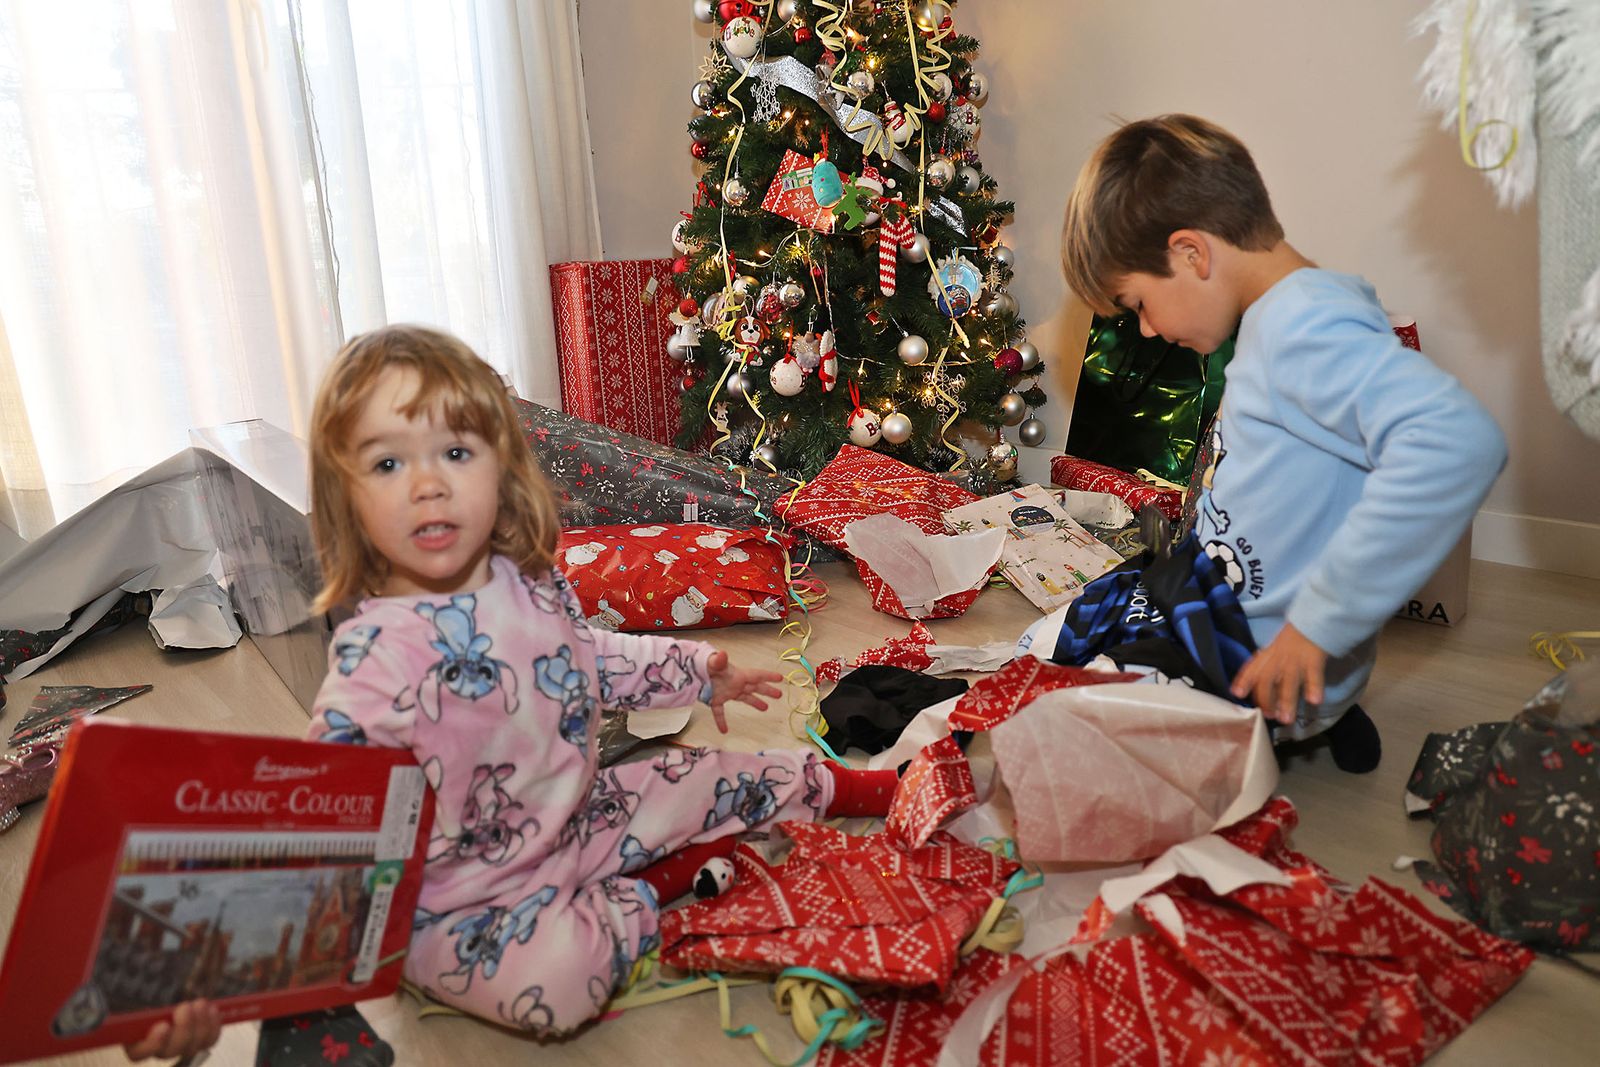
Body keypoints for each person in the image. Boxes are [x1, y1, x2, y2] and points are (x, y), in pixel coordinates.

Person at [294, 324, 898, 1036]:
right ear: (346, 496)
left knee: (707, 773)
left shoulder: (529, 582)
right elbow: (320, 804)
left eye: (456, 452)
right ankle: (653, 892)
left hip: (580, 817)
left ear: (502, 469)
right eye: (388, 464)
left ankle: (868, 786)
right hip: (467, 901)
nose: (428, 484)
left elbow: (590, 657)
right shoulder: (374, 657)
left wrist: (699, 673)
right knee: (556, 988)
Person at [1060, 114, 1506, 772]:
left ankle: (1293, 722)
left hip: (1256, 661)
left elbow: (1458, 441)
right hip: (1236, 622)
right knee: (1094, 614)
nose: (1147, 331)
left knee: (1064, 699)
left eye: (1138, 304)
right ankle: (1326, 714)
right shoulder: (1292, 312)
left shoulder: (1301, 324)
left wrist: (1317, 627)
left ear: (1191, 254)